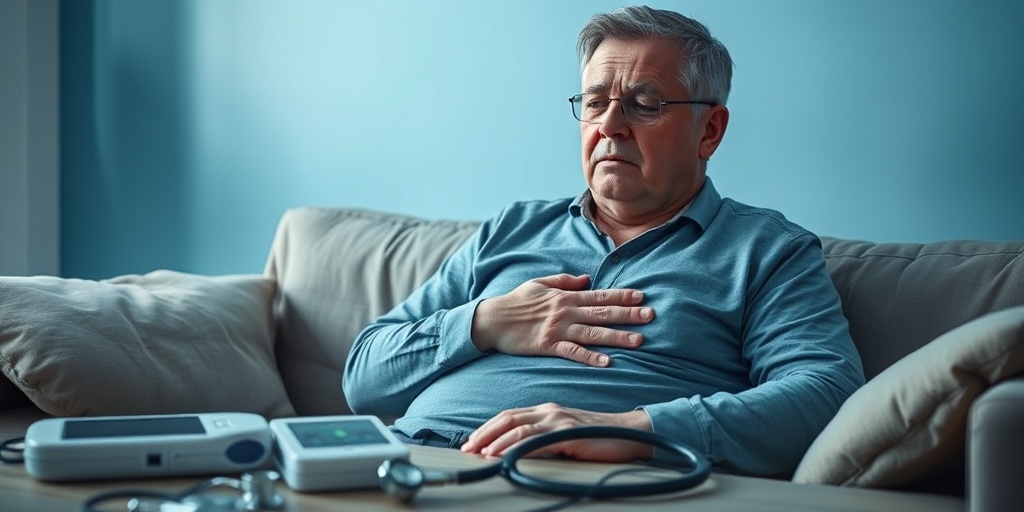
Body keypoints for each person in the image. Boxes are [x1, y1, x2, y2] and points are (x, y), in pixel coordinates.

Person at [343, 5, 865, 477]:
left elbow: (826, 394)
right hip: (406, 461)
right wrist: (488, 322)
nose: (610, 126)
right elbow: (364, 377)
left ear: (709, 130)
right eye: (595, 103)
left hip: (560, 480)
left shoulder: (768, 250)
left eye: (644, 104)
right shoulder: (512, 226)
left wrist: (627, 430)